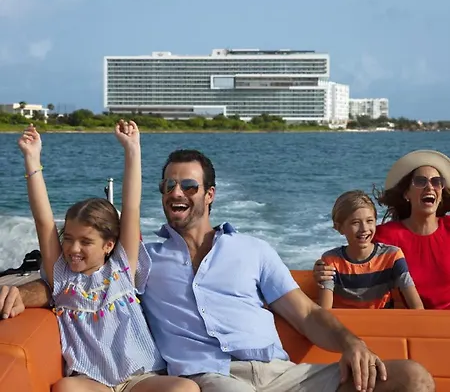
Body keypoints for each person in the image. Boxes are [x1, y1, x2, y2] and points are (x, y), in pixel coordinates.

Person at [1, 148, 435, 392]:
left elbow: (306, 315)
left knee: (413, 379)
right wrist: (24, 293)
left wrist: (353, 344)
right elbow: (76, 282)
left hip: (284, 374)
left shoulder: (254, 250)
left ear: (209, 194)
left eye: (188, 185)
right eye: (169, 185)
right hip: (212, 379)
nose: (176, 192)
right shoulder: (143, 259)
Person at [14, 123, 199, 392]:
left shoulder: (122, 268)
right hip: (93, 382)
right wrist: (32, 158)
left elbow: (131, 207)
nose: (73, 248)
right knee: (66, 388)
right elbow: (43, 221)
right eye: (68, 238)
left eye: (86, 242)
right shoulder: (62, 277)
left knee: (186, 388)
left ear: (109, 245)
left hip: (139, 378)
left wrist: (132, 149)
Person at [314, 149, 450, 310]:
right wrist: (320, 269)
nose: (429, 187)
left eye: (436, 182)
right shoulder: (384, 236)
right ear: (406, 193)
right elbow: (353, 258)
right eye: (420, 181)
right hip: (409, 321)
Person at [318, 190, 423, 310]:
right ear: (339, 228)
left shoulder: (392, 256)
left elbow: (417, 307)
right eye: (355, 222)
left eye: (369, 221)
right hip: (342, 322)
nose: (364, 228)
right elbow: (325, 311)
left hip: (383, 321)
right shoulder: (331, 260)